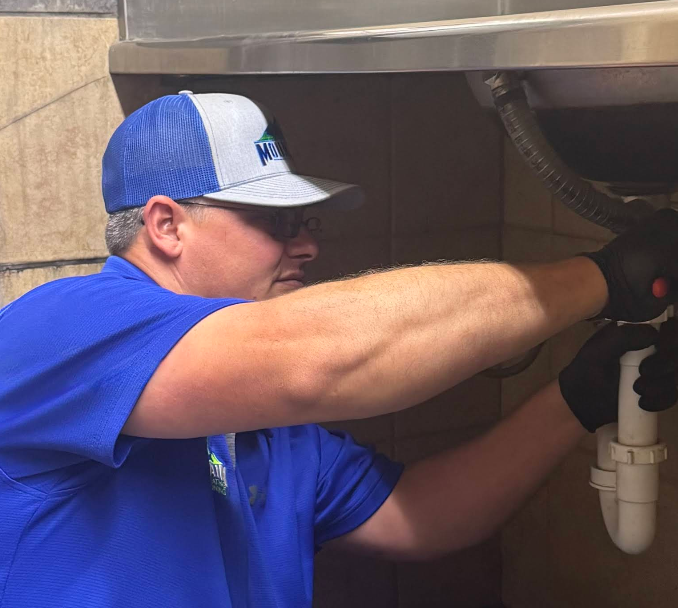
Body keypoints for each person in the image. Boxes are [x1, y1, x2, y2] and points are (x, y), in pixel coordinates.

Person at [1, 91, 677, 608]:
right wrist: (603, 280)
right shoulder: (60, 331)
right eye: (276, 222)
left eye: (306, 221)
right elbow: (321, 355)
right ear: (167, 225)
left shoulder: (263, 426)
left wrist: (575, 400)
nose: (308, 245)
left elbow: (424, 514)